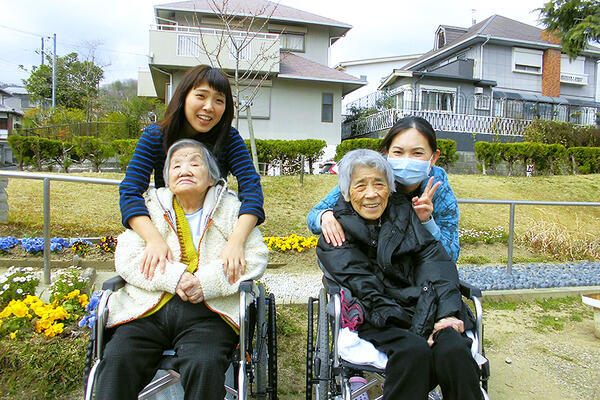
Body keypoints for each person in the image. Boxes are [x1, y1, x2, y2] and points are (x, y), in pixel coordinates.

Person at [95, 139, 268, 400]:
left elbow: (256, 257)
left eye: (194, 163)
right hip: (149, 311)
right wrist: (173, 279)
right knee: (118, 357)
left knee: (205, 363)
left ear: (211, 178)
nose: (184, 168)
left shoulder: (231, 210)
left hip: (208, 313)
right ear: (167, 178)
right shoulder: (151, 209)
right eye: (175, 165)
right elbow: (126, 257)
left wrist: (205, 283)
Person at [316, 149, 481, 400]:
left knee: (454, 348)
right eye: (360, 186)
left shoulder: (406, 216)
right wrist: (421, 329)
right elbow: (366, 289)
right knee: (413, 351)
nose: (371, 194)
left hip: (422, 306)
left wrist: (446, 314)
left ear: (390, 189)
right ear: (346, 193)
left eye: (379, 184)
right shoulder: (335, 234)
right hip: (377, 316)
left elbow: (436, 264)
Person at [120, 65, 264, 284]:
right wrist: (154, 240)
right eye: (201, 96)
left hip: (210, 228)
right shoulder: (155, 136)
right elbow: (130, 192)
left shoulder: (229, 139)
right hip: (170, 225)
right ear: (184, 96)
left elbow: (252, 190)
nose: (209, 107)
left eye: (219, 100)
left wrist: (236, 241)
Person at [307, 116, 460, 261]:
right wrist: (325, 216)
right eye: (398, 152)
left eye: (417, 153)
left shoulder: (438, 189)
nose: (406, 160)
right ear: (387, 152)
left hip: (414, 268)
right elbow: (313, 216)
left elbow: (451, 254)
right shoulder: (373, 174)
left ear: (434, 157)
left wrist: (427, 222)